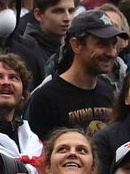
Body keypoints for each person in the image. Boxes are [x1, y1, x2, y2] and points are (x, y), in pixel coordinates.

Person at [28, 10, 124, 140]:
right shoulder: (46, 97)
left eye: (113, 45)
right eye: (102, 44)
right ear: (76, 45)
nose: (112, 53)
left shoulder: (109, 90)